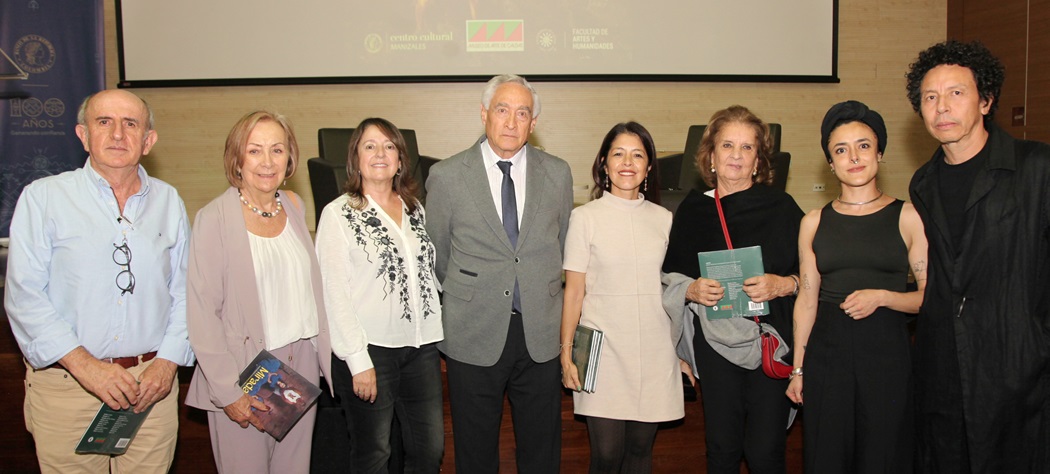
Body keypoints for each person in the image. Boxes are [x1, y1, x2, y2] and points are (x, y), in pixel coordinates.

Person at [4, 89, 195, 472]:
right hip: (68, 386)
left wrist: (168, 363)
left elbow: (187, 292)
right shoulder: (43, 198)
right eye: (104, 122)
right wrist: (87, 367)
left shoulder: (169, 201)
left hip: (150, 389)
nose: (118, 134)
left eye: (131, 124)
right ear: (83, 134)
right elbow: (24, 296)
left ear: (148, 140)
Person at [906, 40, 1050, 473]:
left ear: (986, 101)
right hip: (944, 369)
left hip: (1019, 364)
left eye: (956, 93)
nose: (941, 107)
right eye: (930, 97)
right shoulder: (924, 182)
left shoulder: (1037, 167)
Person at [425, 73, 574, 472]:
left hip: (539, 332)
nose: (511, 121)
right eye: (502, 110)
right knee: (474, 450)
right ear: (484, 114)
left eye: (522, 113)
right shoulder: (448, 175)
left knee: (542, 448)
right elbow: (437, 252)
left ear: (534, 123)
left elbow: (561, 246)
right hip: (473, 330)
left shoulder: (557, 173)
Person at [184, 111, 333, 473]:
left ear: (290, 158)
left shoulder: (294, 206)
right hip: (245, 371)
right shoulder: (213, 218)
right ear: (237, 158)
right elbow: (202, 315)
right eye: (254, 151)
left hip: (301, 366)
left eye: (277, 150)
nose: (267, 162)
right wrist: (229, 392)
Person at [785, 100, 927, 473]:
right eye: (841, 150)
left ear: (879, 152)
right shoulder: (814, 222)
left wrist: (884, 297)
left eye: (864, 145)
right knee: (827, 454)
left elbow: (931, 298)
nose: (854, 157)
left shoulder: (908, 215)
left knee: (885, 454)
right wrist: (798, 369)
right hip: (827, 353)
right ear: (830, 163)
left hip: (887, 354)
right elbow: (808, 298)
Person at [661, 105, 803, 474]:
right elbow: (669, 276)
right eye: (727, 146)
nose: (736, 156)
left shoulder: (782, 208)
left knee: (766, 450)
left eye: (747, 148)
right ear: (710, 155)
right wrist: (690, 290)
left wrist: (784, 284)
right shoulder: (692, 211)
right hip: (716, 344)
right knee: (721, 447)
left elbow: (813, 276)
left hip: (769, 341)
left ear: (759, 160)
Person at [315, 118, 445, 473]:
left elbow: (429, 275)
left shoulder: (416, 209)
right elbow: (333, 293)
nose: (380, 153)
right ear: (355, 159)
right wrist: (357, 360)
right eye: (369, 146)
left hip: (422, 349)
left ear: (401, 160)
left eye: (389, 146)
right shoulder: (338, 214)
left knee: (429, 451)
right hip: (371, 353)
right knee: (374, 455)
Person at [560, 122, 684, 473]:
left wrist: (683, 352)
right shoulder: (584, 218)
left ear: (648, 167)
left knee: (640, 452)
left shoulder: (664, 219)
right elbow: (574, 292)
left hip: (655, 351)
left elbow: (674, 289)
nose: (627, 162)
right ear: (604, 163)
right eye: (618, 153)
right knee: (607, 455)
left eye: (637, 155)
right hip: (603, 351)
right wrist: (566, 352)